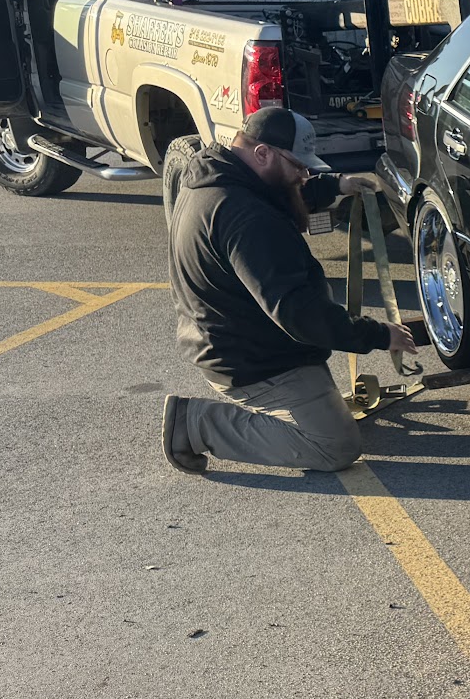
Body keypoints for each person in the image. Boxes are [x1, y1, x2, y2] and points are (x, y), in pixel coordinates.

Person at [161, 108, 414, 475]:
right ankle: (196, 423)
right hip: (253, 360)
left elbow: (278, 191)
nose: (303, 175)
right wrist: (379, 334)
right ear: (263, 153)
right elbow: (299, 314)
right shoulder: (247, 218)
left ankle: (299, 405)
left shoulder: (216, 177)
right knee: (336, 446)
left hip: (228, 340)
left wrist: (336, 186)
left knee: (327, 412)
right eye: (299, 166)